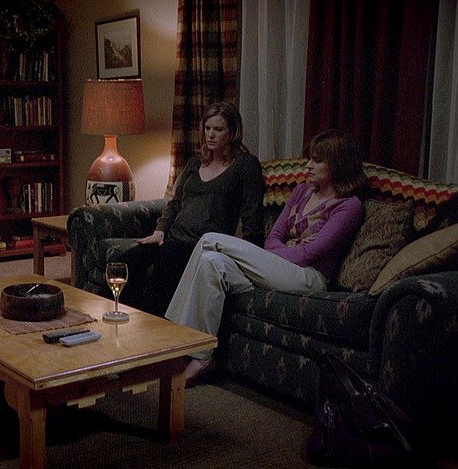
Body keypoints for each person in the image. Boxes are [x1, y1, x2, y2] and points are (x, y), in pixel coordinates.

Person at [164, 129, 367, 384]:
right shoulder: (302, 191)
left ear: (338, 164)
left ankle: (173, 338)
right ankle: (202, 355)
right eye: (309, 159)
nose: (308, 165)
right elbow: (273, 237)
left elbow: (311, 252)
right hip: (278, 268)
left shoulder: (349, 206)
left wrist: (274, 257)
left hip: (309, 277)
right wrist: (273, 257)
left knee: (209, 240)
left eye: (317, 160)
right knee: (210, 262)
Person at [120, 101, 264, 315]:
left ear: (232, 132)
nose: (211, 135)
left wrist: (247, 258)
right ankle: (113, 320)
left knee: (165, 265)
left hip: (202, 246)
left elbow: (252, 215)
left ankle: (152, 327)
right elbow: (176, 203)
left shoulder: (246, 165)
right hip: (174, 238)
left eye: (218, 129)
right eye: (207, 128)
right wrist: (159, 231)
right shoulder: (196, 162)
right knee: (127, 262)